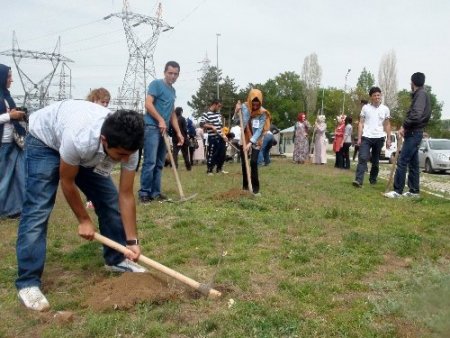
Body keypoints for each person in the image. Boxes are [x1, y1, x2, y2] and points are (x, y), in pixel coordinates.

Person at [15, 100, 147, 312]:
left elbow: (125, 194)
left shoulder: (129, 147)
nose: (125, 160)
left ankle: (116, 258)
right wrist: (84, 219)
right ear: (104, 140)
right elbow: (67, 182)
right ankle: (28, 283)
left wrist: (131, 241)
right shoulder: (80, 138)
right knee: (38, 209)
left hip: (86, 151)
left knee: (110, 200)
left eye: (129, 154)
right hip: (45, 140)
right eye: (121, 155)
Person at [139, 61, 184, 203]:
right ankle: (144, 193)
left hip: (163, 129)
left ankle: (155, 193)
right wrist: (160, 119)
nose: (173, 76)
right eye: (170, 73)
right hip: (152, 127)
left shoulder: (172, 91)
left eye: (175, 74)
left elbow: (172, 114)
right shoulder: (156, 84)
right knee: (150, 162)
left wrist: (179, 133)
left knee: (159, 163)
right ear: (165, 72)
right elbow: (148, 104)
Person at [385, 72, 431, 198]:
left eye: (410, 82)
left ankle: (397, 191)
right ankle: (414, 191)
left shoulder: (420, 94)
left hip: (414, 132)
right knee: (414, 163)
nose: (410, 84)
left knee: (402, 161)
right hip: (415, 132)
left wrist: (404, 126)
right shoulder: (421, 94)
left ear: (413, 82)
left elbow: (416, 114)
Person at [0, 64, 26, 219]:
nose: (11, 80)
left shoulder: (6, 96)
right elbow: (7, 117)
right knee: (4, 179)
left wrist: (19, 115)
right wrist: (11, 116)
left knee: (19, 176)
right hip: (2, 144)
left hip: (14, 142)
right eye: (9, 76)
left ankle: (14, 209)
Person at [234, 89, 271, 194]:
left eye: (257, 105)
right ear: (250, 102)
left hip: (257, 138)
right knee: (244, 163)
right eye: (253, 104)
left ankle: (255, 188)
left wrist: (250, 143)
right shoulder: (244, 107)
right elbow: (236, 120)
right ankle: (245, 187)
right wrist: (236, 111)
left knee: (253, 162)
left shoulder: (263, 113)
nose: (255, 107)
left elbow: (259, 130)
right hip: (244, 137)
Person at [353, 87, 391, 187]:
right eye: (374, 95)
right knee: (363, 157)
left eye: (378, 95)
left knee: (375, 161)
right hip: (366, 136)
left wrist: (389, 139)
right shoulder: (365, 108)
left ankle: (373, 178)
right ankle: (358, 180)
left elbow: (387, 125)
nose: (377, 97)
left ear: (381, 96)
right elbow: (361, 123)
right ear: (371, 97)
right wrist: (359, 137)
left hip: (379, 137)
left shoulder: (385, 109)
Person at [85, 87, 112, 209]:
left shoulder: (107, 115)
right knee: (88, 175)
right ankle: (90, 199)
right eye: (103, 102)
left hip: (102, 152)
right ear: (94, 100)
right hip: (87, 150)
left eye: (107, 102)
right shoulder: (85, 113)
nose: (105, 105)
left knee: (102, 173)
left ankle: (100, 199)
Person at [200, 99, 228, 175]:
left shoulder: (218, 114)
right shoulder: (206, 114)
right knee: (212, 154)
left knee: (222, 154)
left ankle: (219, 169)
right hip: (212, 137)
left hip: (221, 137)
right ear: (214, 104)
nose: (219, 108)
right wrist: (211, 126)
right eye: (218, 106)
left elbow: (221, 126)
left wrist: (224, 135)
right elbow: (202, 124)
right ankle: (210, 170)